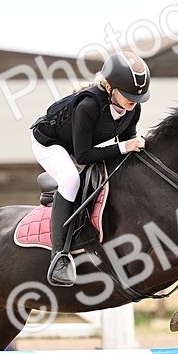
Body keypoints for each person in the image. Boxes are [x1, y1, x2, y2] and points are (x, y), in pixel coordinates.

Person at [30, 51, 150, 286]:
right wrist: (124, 147)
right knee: (70, 179)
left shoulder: (133, 109)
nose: (133, 101)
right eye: (127, 95)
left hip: (77, 147)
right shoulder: (89, 106)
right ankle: (59, 257)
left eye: (137, 96)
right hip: (49, 143)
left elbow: (127, 147)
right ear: (109, 87)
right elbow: (84, 155)